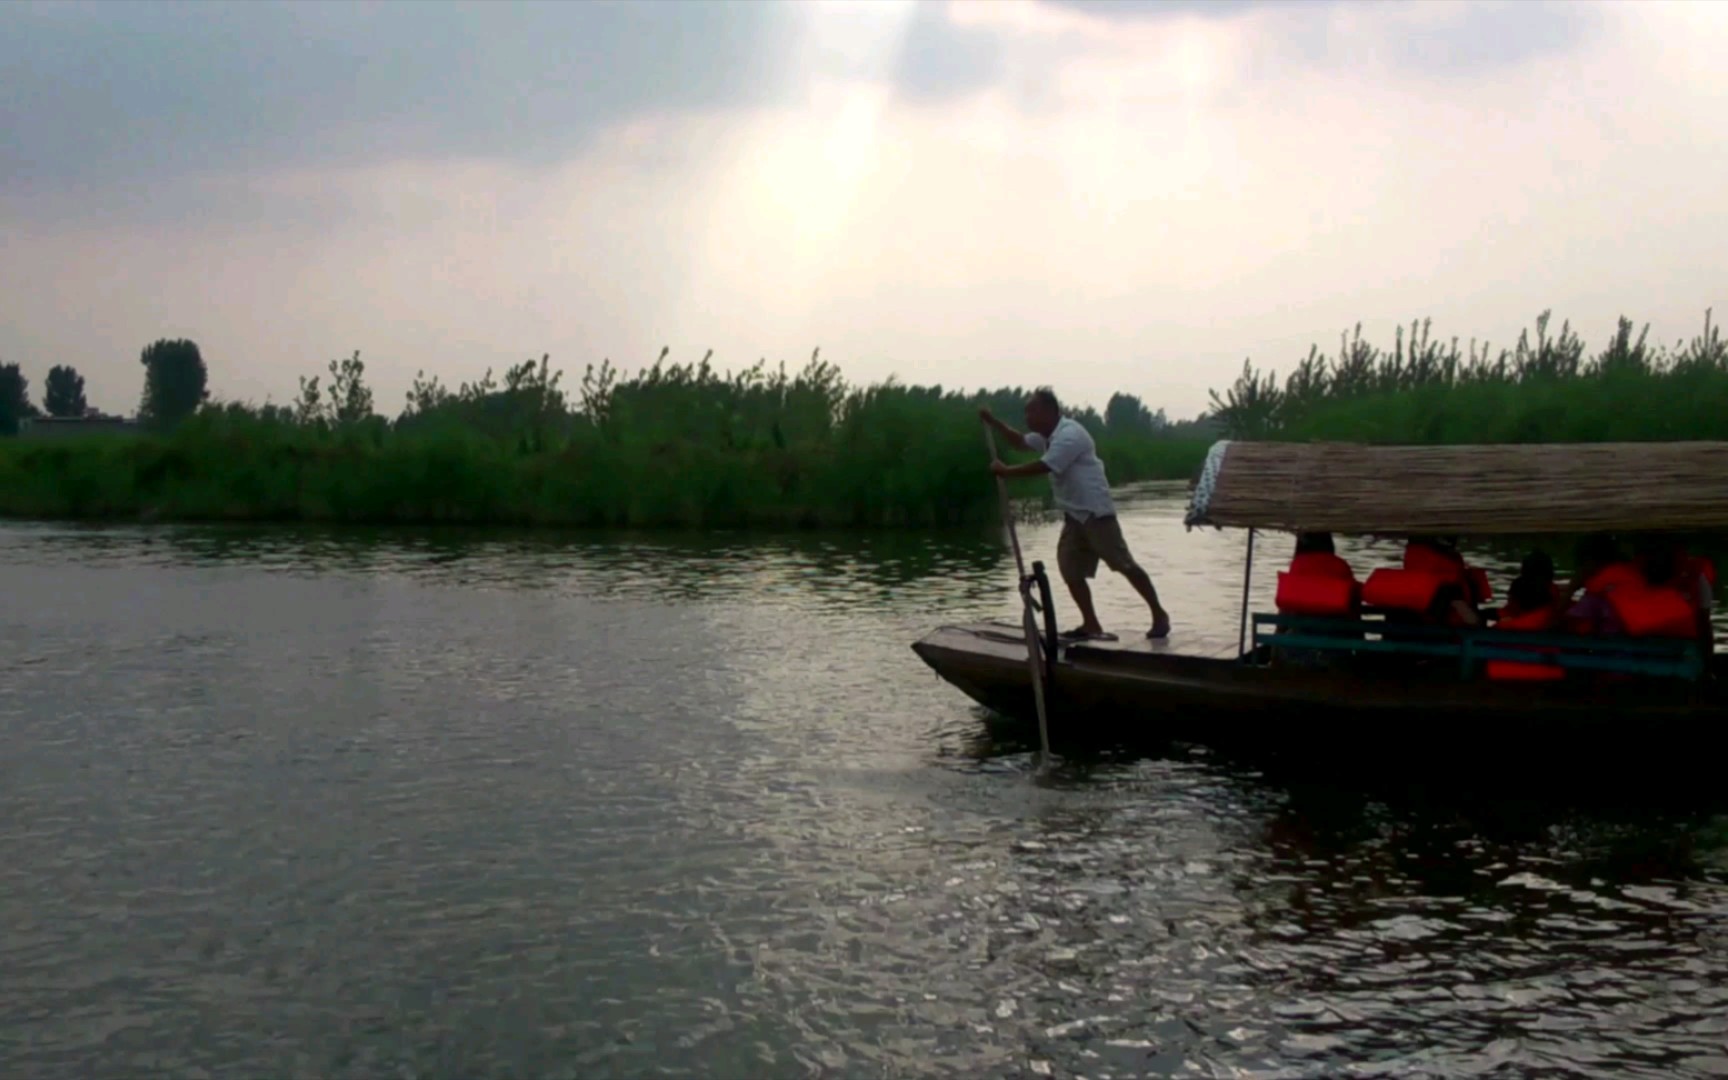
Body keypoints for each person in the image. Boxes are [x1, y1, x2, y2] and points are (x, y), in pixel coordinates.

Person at [980, 388, 1172, 640]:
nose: (1028, 417)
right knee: (1069, 569)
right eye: (1027, 412)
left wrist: (1007, 471)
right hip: (1074, 516)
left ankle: (1159, 615)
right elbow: (1020, 441)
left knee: (1123, 564)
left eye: (1032, 411)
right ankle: (1091, 624)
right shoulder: (1046, 436)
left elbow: (1046, 465)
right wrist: (993, 423)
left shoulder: (1070, 435)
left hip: (1095, 512)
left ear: (1050, 412)